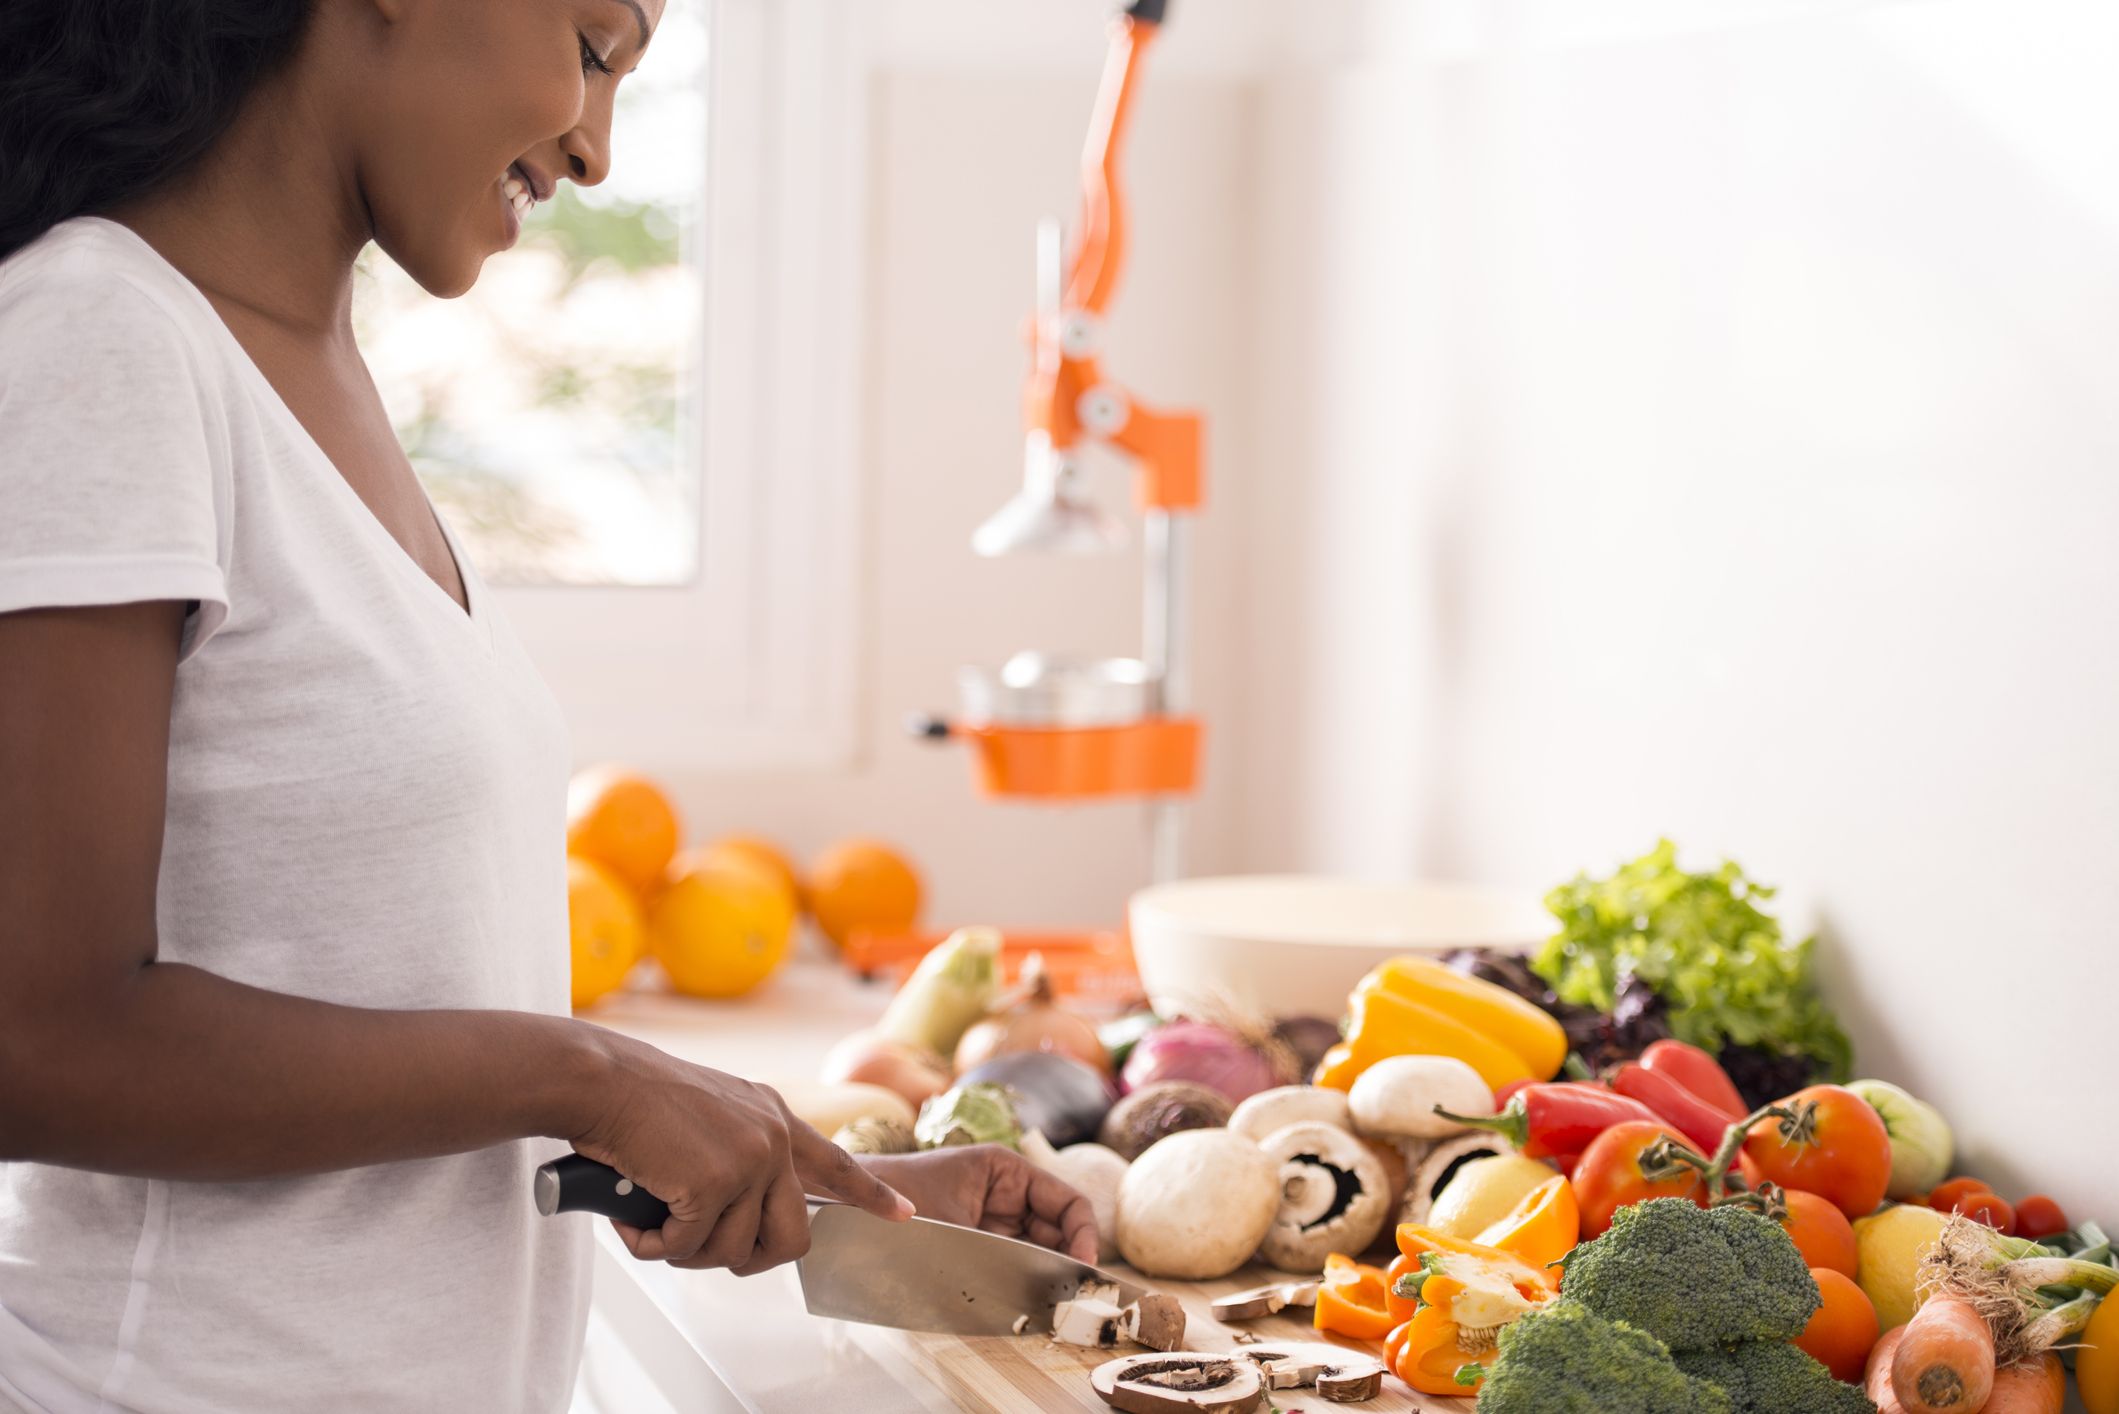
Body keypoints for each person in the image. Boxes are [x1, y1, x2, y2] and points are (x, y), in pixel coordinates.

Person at [0, 2, 1096, 1409]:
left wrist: (823, 1187)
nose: (597, 150)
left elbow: (388, 1022)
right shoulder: (102, 333)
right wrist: (587, 1073)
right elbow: (37, 1035)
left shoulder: (306, 370)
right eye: (592, 45)